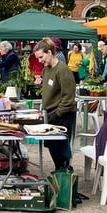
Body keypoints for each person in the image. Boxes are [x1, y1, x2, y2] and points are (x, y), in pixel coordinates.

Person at [34, 37, 77, 170]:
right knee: (53, 149)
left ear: (49, 52)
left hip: (62, 116)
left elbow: (68, 97)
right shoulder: (47, 69)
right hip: (51, 114)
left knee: (61, 152)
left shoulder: (63, 70)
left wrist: (57, 114)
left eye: (41, 57)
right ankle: (60, 177)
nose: (40, 61)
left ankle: (65, 179)